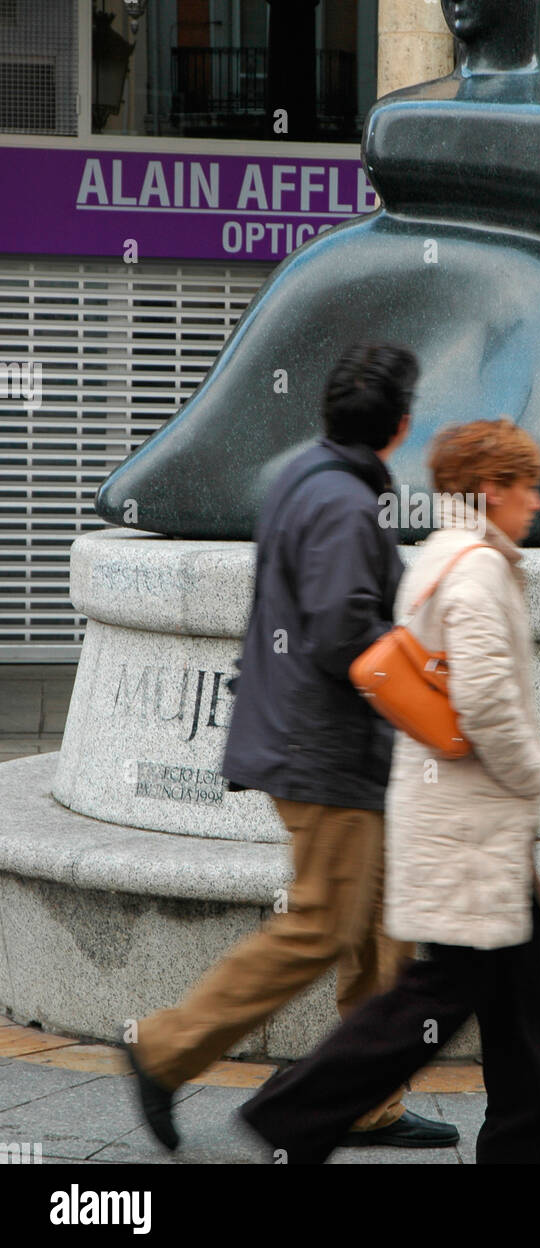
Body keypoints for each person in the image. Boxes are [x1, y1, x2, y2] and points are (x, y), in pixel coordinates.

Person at [125, 342, 458, 1154]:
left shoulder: (304, 480)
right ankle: (164, 1050)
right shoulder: (344, 505)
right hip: (328, 754)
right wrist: (428, 679)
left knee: (381, 929)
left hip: (326, 746)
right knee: (317, 926)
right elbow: (347, 632)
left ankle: (368, 1102)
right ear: (402, 427)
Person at [239, 418, 540, 1165]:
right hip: (473, 831)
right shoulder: (477, 570)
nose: (536, 502)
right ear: (489, 491)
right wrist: (536, 775)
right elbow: (486, 701)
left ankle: (533, 1144)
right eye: (526, 486)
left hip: (465, 828)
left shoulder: (444, 553)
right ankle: (293, 1111)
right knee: (434, 1003)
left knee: (518, 1007)